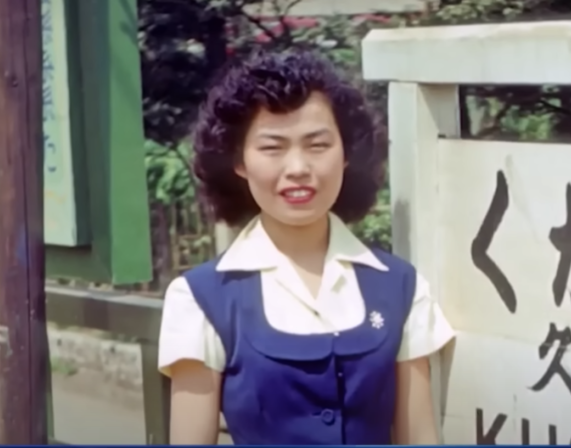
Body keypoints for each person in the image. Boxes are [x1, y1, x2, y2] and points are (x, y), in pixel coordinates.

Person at [157, 50, 455, 445]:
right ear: (238, 161)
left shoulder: (401, 289)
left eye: (317, 145)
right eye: (272, 147)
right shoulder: (200, 299)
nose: (298, 167)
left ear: (347, 154)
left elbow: (420, 437)